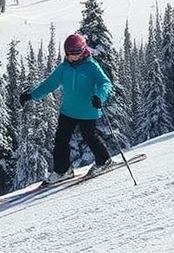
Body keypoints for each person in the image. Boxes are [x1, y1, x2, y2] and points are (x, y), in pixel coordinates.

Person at [19, 33, 114, 183]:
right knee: (61, 140)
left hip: (88, 111)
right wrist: (31, 95)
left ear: (83, 51)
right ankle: (63, 171)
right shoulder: (64, 69)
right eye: (69, 54)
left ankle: (104, 161)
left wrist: (100, 96)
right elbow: (49, 85)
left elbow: (106, 83)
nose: (71, 57)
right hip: (68, 111)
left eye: (75, 54)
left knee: (90, 137)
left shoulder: (92, 67)